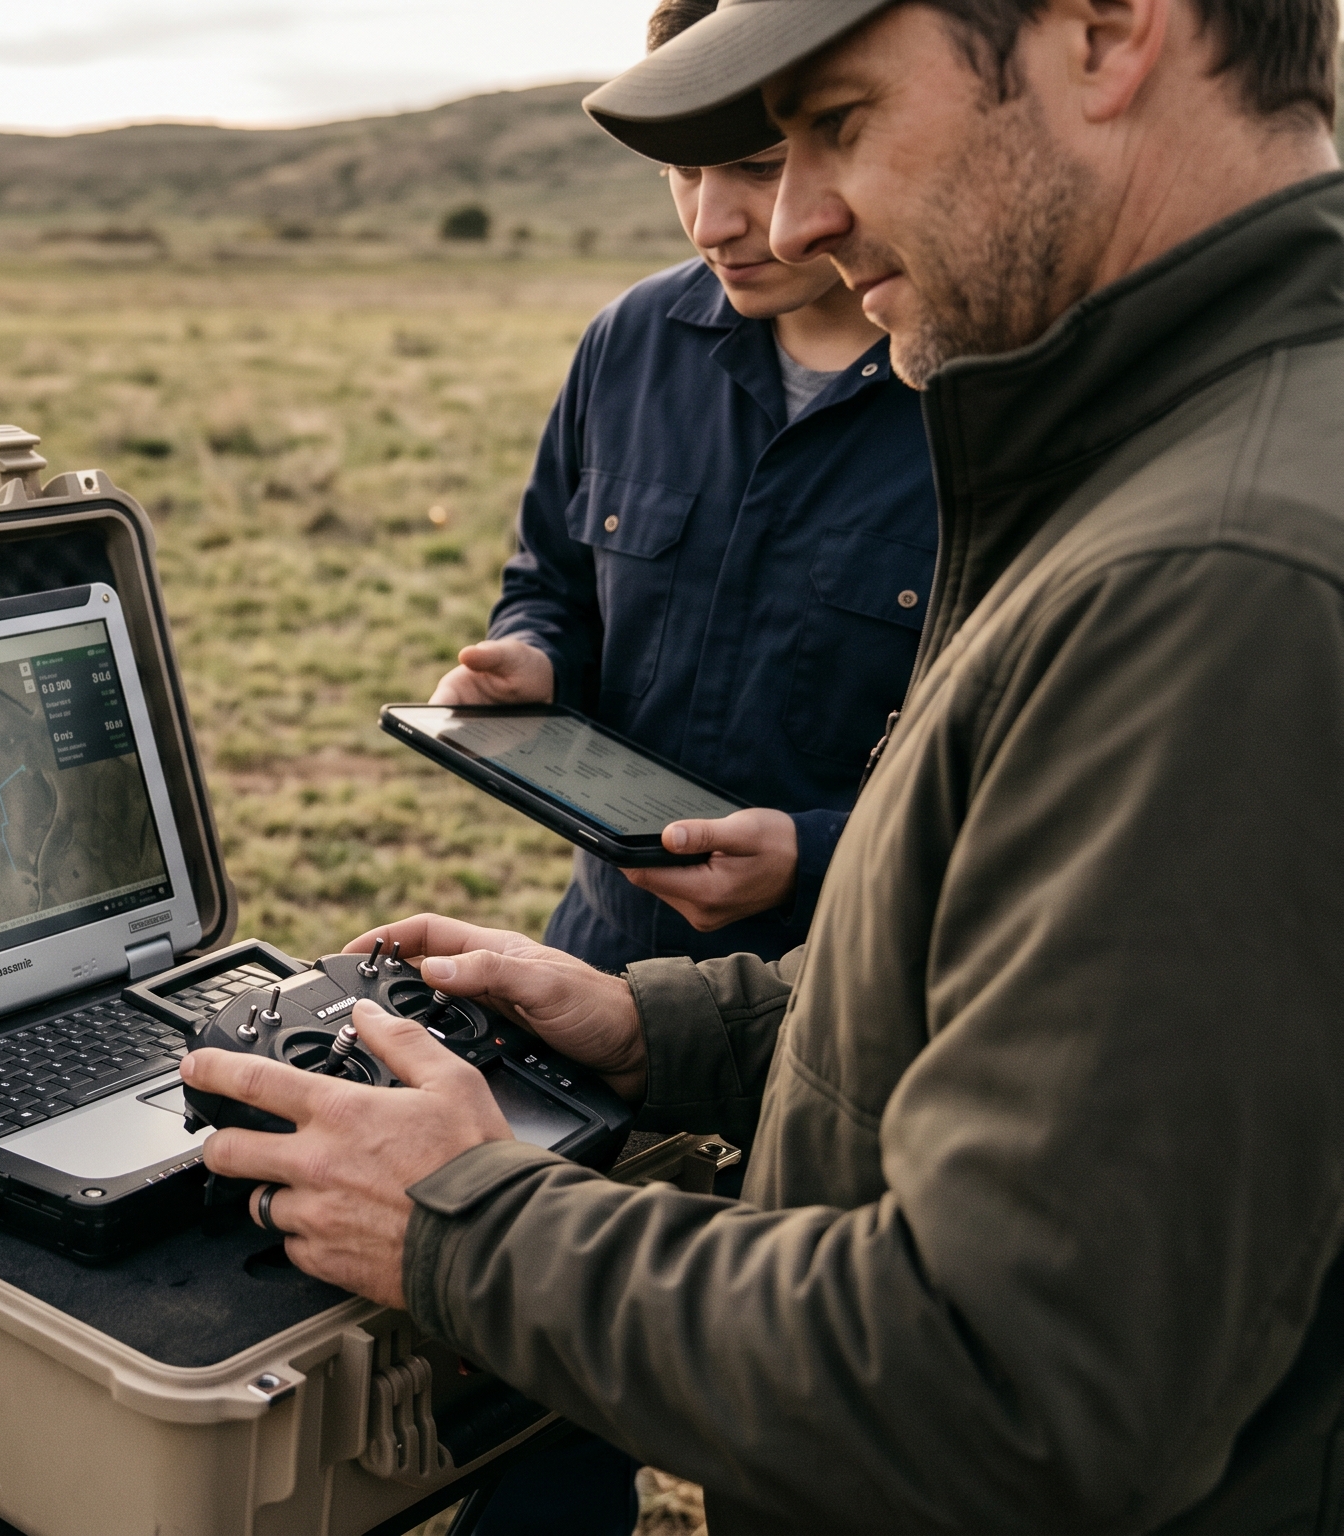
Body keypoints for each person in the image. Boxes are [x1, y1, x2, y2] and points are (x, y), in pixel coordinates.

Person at [184, 0, 1344, 1529]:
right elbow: (999, 997)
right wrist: (652, 1025)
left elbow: (1006, 1387)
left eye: (840, 121)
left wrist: (460, 1222)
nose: (788, 220)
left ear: (1107, 28)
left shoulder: (1222, 575)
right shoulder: (1151, 461)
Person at [432, 0, 933, 974]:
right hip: (596, 956)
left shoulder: (989, 395)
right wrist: (534, 661)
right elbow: (549, 582)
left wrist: (816, 859)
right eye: (682, 170)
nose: (713, 222)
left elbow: (1019, 774)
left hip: (845, 991)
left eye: (758, 165)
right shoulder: (628, 340)